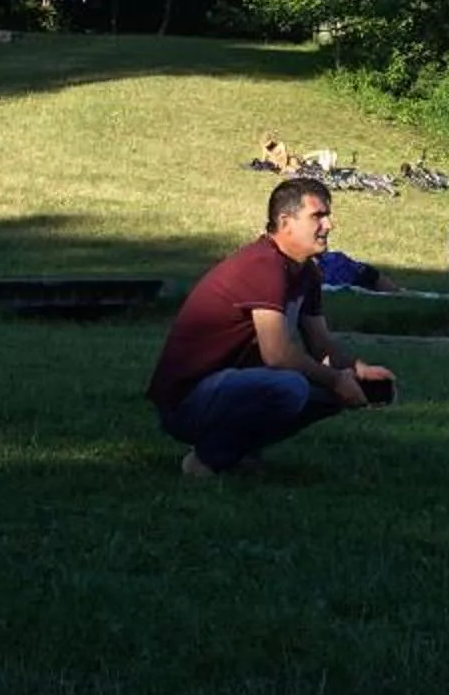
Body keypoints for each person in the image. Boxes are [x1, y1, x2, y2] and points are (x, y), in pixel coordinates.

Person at [145, 177, 397, 478]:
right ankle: (206, 460)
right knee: (290, 387)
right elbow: (276, 354)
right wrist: (334, 379)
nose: (329, 225)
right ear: (285, 221)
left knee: (343, 391)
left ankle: (237, 451)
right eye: (318, 216)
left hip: (234, 384)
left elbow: (321, 345)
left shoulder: (306, 273)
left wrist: (358, 370)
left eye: (327, 216)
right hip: (187, 400)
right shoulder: (264, 264)